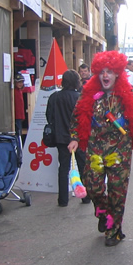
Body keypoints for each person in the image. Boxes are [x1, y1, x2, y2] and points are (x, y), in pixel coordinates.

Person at [69, 51, 133, 246]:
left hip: (120, 150)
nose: (105, 75)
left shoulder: (129, 93)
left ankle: (114, 230)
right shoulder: (88, 93)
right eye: (102, 72)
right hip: (95, 148)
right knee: (93, 187)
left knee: (117, 192)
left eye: (110, 72)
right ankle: (104, 214)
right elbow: (77, 117)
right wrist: (74, 138)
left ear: (117, 73)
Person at [46, 70, 88, 207]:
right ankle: (85, 196)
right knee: (82, 166)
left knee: (63, 168)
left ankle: (63, 200)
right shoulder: (79, 97)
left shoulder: (54, 97)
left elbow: (49, 116)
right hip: (79, 137)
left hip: (60, 137)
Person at [13, 73, 34, 137]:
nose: (20, 84)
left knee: (19, 132)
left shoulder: (20, 91)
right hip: (16, 116)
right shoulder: (14, 91)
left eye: (21, 82)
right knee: (18, 133)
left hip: (20, 116)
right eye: (18, 82)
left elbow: (29, 89)